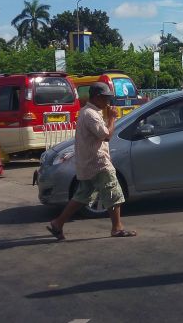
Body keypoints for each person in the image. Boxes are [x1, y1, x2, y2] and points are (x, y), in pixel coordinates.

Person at [47, 82, 136, 240]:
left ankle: (58, 223)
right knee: (113, 192)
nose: (108, 102)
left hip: (88, 162)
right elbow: (106, 135)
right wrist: (112, 118)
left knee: (82, 196)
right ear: (97, 97)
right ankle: (117, 228)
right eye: (106, 98)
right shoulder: (91, 114)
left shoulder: (87, 112)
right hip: (98, 162)